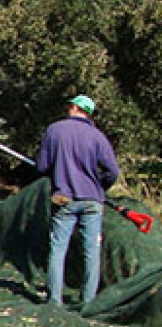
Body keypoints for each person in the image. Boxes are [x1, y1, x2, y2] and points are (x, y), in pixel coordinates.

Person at [35, 94, 119, 306]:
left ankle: (54, 300)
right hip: (92, 200)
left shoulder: (54, 130)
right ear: (88, 113)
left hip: (63, 197)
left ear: (73, 107)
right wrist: (100, 187)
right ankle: (88, 301)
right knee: (91, 251)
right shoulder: (98, 137)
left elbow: (42, 167)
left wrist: (55, 172)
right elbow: (112, 171)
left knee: (58, 248)